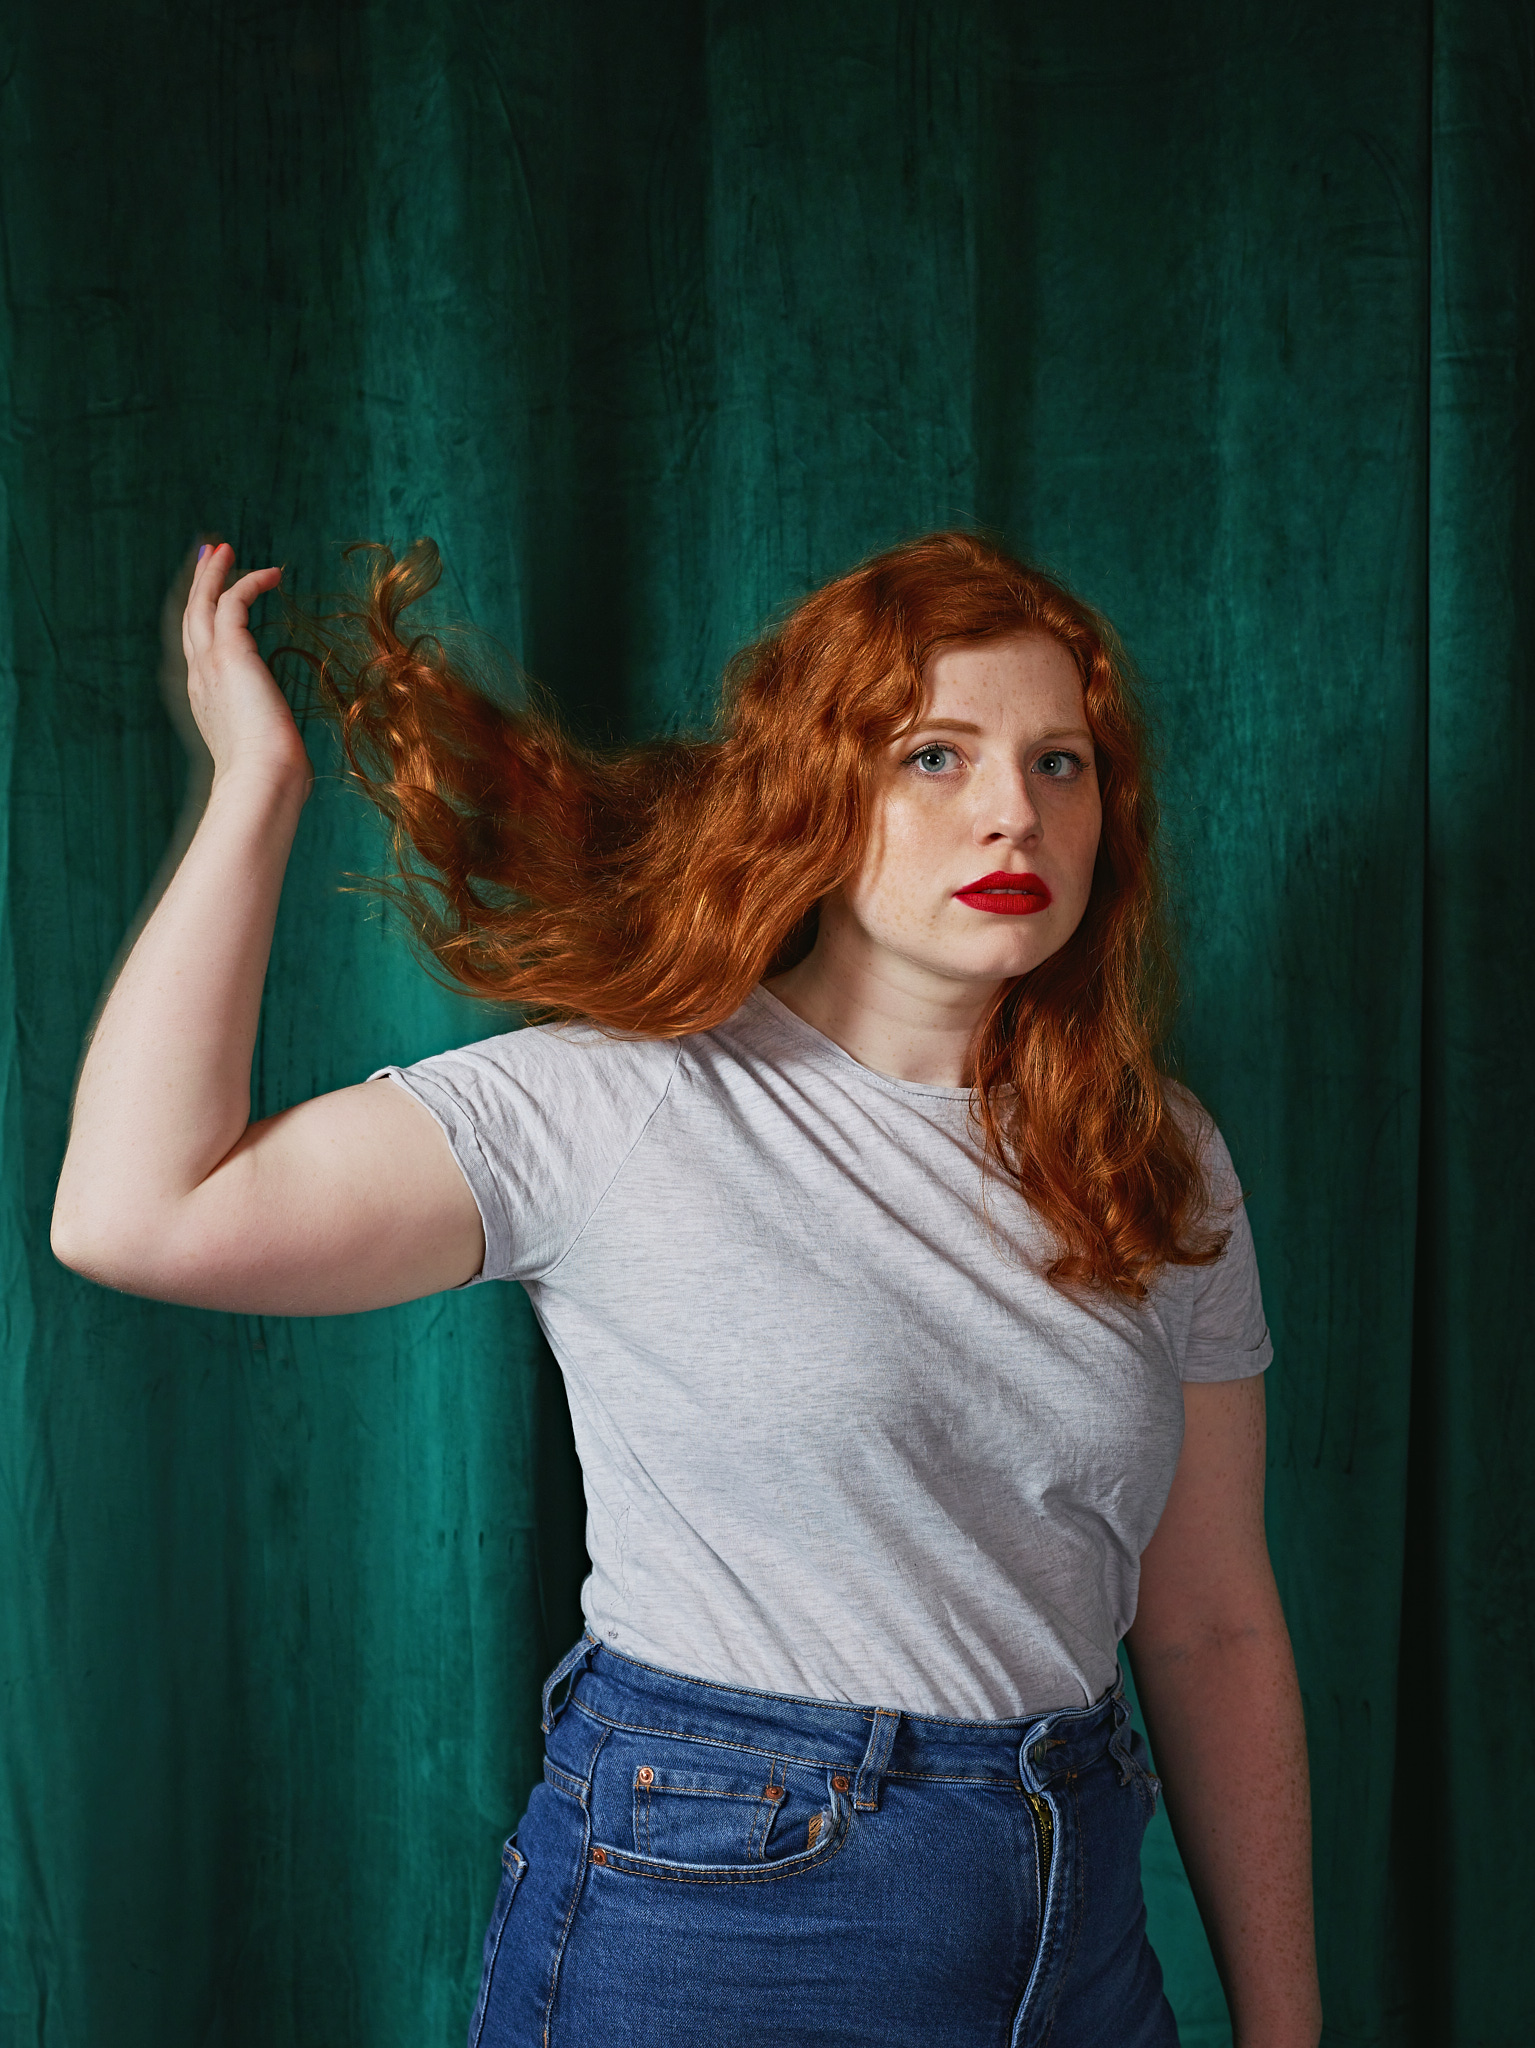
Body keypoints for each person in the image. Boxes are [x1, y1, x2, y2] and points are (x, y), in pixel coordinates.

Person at [51, 532, 1322, 2048]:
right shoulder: (624, 1102)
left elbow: (1211, 1626)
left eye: (1061, 763)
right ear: (813, 791)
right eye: (935, 755)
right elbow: (141, 1213)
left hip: (1081, 1927)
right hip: (727, 1915)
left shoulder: (1155, 1153)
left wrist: (1286, 2026)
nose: (1014, 811)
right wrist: (254, 791)